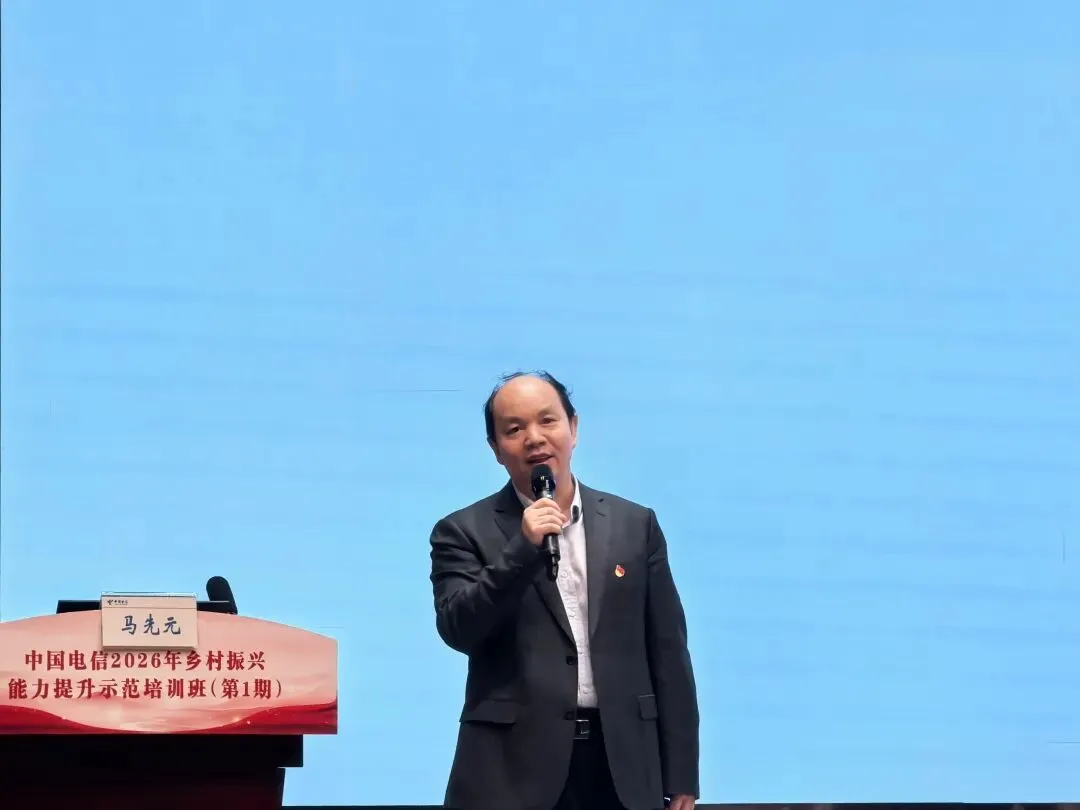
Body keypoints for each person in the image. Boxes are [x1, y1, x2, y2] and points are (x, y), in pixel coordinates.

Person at [429, 371, 699, 810]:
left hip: (622, 768)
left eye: (548, 421)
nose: (534, 438)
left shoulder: (635, 525)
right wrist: (522, 549)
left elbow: (668, 652)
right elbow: (460, 628)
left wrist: (682, 773)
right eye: (514, 429)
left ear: (573, 428)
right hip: (509, 773)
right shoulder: (460, 531)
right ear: (496, 449)